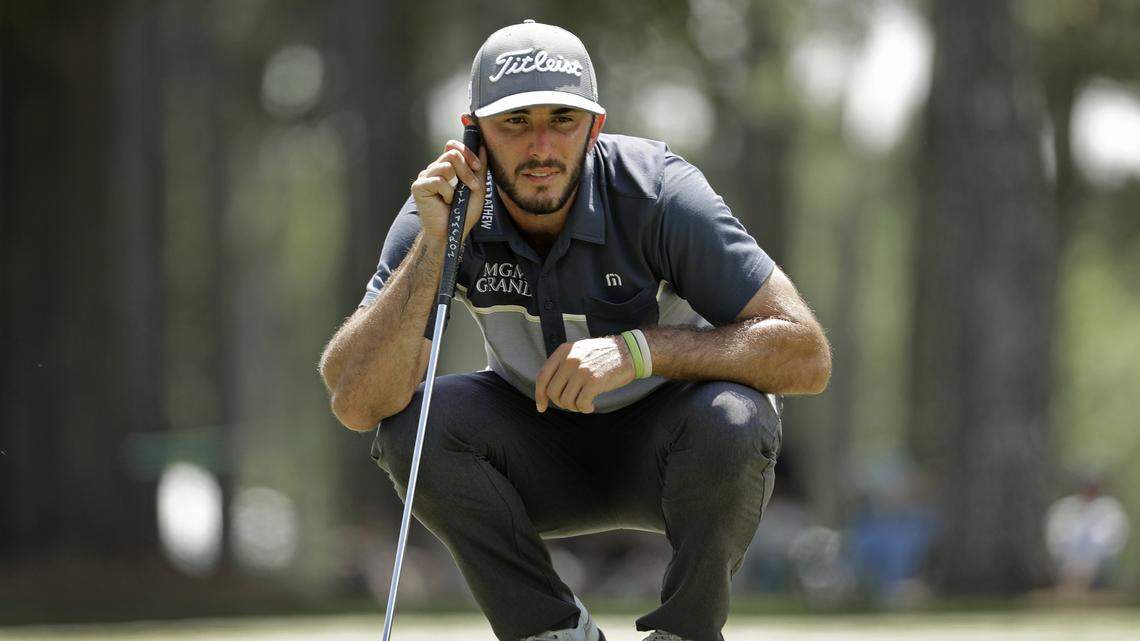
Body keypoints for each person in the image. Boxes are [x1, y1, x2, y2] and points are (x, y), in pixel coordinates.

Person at [318, 19, 831, 641]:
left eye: (561, 120)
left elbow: (805, 353)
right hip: (532, 448)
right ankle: (553, 631)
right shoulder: (442, 210)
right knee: (412, 427)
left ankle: (685, 634)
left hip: (671, 447)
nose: (540, 148)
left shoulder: (660, 192)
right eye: (514, 123)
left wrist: (638, 351)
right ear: (474, 134)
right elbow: (356, 402)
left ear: (595, 125)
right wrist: (434, 249)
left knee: (737, 417)